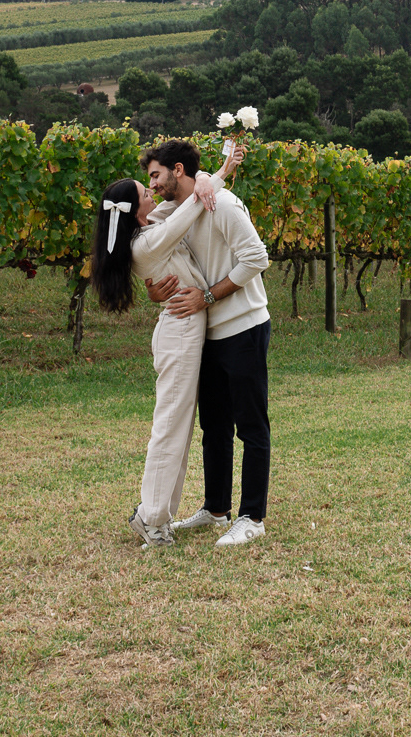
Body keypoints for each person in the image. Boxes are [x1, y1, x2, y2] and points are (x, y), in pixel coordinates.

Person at [90, 144, 237, 549]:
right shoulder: (146, 242)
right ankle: (151, 518)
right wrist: (221, 173)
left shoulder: (150, 226)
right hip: (180, 334)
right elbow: (190, 210)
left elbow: (184, 198)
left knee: (178, 428)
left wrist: (203, 176)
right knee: (170, 428)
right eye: (146, 192)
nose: (153, 192)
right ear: (134, 209)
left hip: (183, 331)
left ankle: (158, 515)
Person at [140, 139, 272, 548]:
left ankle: (252, 517)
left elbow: (257, 258)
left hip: (244, 325)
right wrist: (154, 291)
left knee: (250, 424)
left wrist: (209, 296)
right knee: (214, 426)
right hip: (209, 331)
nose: (153, 185)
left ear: (178, 170)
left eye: (156, 175)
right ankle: (216, 509)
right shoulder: (175, 210)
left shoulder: (224, 204)